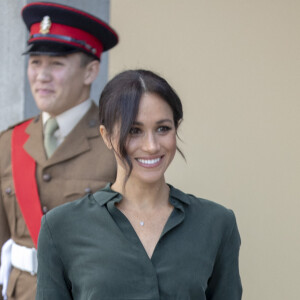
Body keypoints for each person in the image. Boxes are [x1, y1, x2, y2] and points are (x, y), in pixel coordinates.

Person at [36, 69, 242, 299]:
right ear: (105, 135)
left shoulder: (216, 223)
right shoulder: (60, 227)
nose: (152, 146)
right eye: (134, 131)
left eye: (163, 128)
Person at [0, 2, 118, 300]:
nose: (41, 75)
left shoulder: (116, 144)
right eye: (35, 62)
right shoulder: (8, 142)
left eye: (56, 63)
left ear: (91, 71)